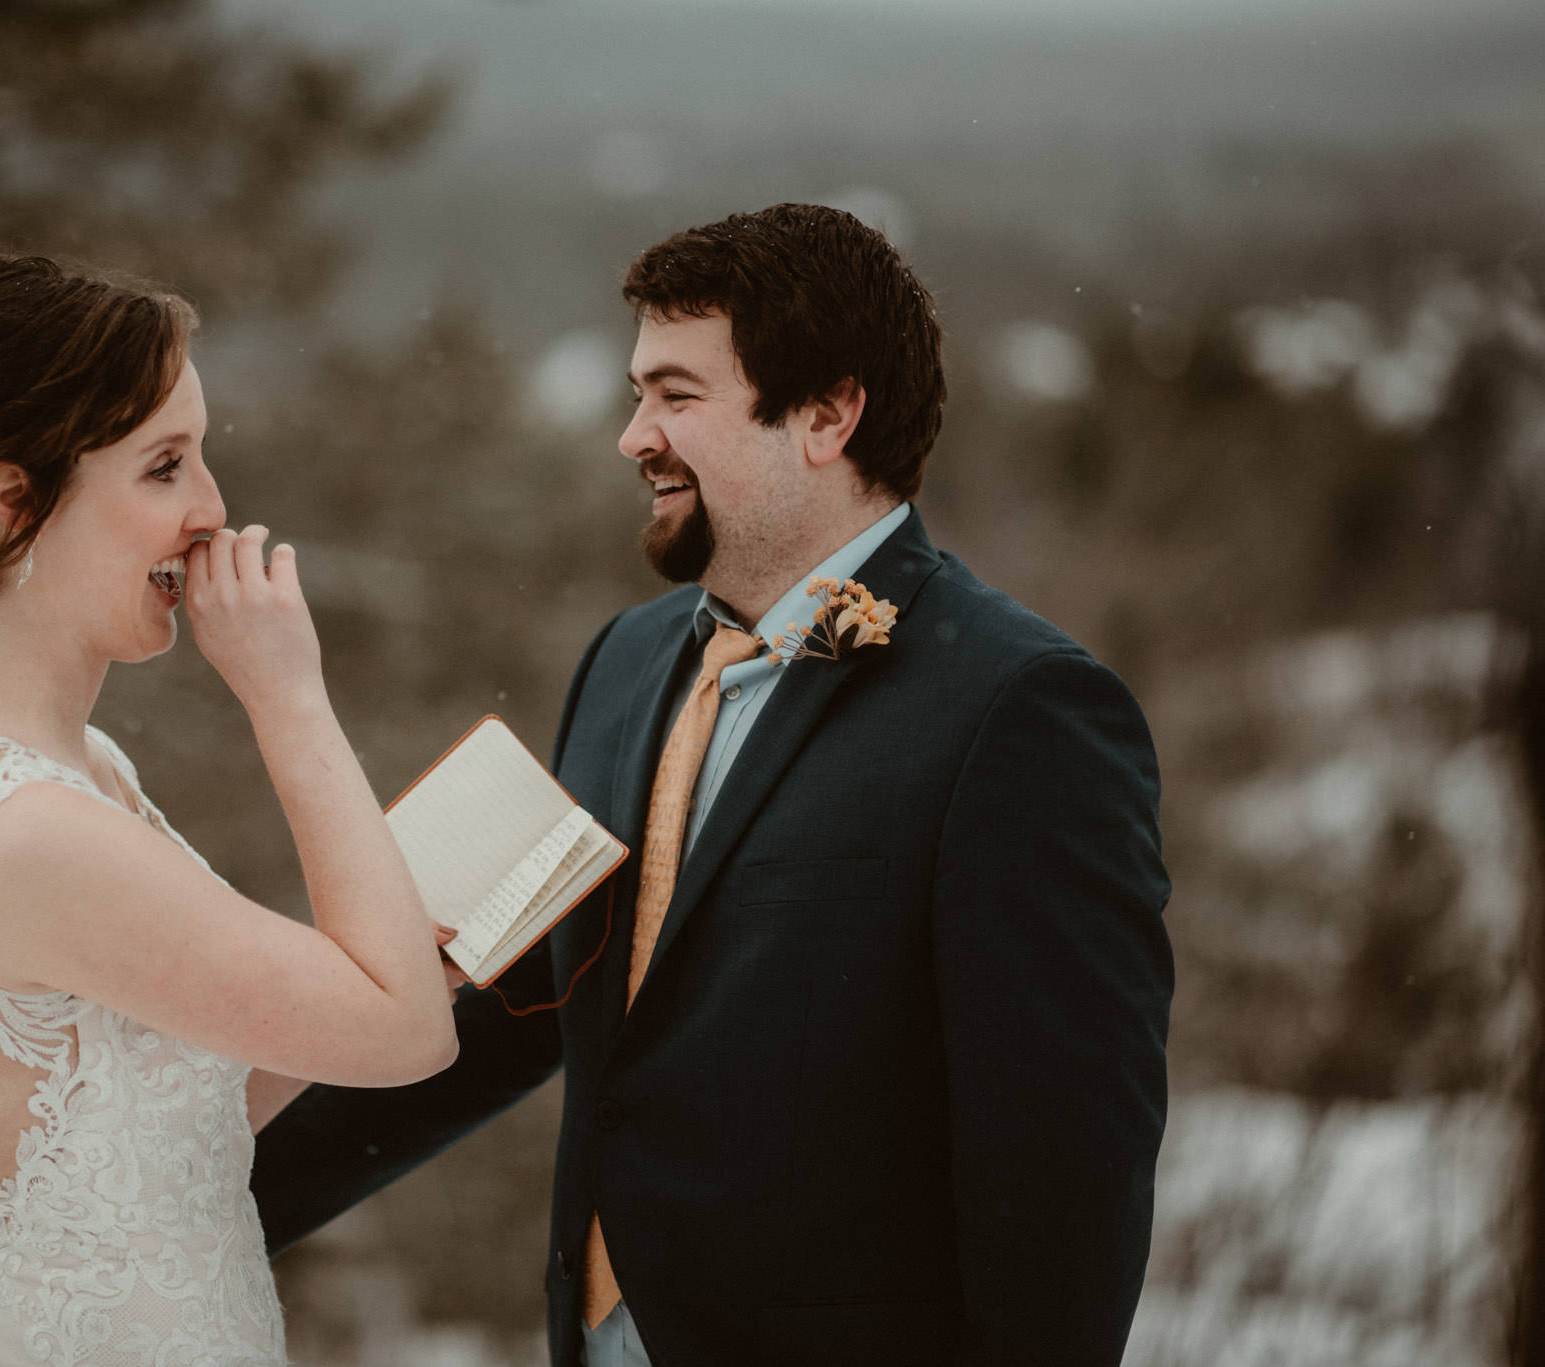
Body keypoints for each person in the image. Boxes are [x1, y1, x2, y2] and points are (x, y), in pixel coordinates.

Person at [252, 204, 1175, 1366]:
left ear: (827, 415)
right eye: (636, 394)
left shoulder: (1020, 711)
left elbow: (1063, 1173)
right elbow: (513, 1006)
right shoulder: (622, 664)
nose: (632, 436)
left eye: (676, 396)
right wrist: (201, 1205)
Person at [0, 255, 459, 1365]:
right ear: (14, 499)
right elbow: (404, 1039)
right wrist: (287, 695)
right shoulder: (34, 832)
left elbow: (162, 1110)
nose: (209, 511)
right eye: (164, 467)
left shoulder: (82, 766)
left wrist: (387, 966)